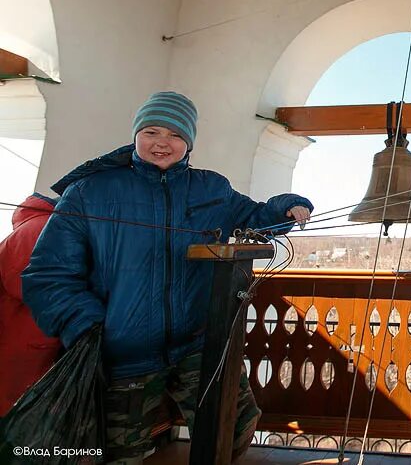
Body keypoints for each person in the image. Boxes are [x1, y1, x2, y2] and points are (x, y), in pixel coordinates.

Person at [22, 91, 312, 463]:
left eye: (175, 135)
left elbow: (256, 217)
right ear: (136, 135)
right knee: (115, 455)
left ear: (189, 142)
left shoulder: (211, 188)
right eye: (152, 131)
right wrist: (88, 326)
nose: (162, 143)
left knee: (235, 424)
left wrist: (286, 208)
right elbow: (48, 274)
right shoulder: (89, 192)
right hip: (123, 354)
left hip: (195, 346)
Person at [0, 193, 61, 417]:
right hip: (22, 339)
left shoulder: (45, 225)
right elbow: (24, 283)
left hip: (26, 338)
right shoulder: (42, 228)